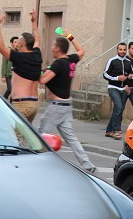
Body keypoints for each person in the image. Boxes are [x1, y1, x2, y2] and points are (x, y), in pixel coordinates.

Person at [37, 33, 96, 173]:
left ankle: (40, 164)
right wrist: (70, 36)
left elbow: (42, 80)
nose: (51, 48)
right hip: (67, 106)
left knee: (41, 135)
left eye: (53, 46)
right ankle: (87, 165)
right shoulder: (71, 60)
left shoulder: (57, 64)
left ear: (57, 49)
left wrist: (38, 69)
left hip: (56, 107)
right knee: (71, 138)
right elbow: (81, 51)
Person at [0, 10, 43, 124]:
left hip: (22, 105)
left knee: (15, 139)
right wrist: (34, 22)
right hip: (34, 104)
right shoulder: (37, 54)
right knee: (25, 139)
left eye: (18, 42)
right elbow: (37, 39)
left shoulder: (19, 57)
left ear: (20, 44)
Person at [103, 43, 133, 138]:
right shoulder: (112, 61)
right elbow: (105, 74)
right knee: (119, 107)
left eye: (124, 50)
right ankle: (116, 130)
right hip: (113, 88)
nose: (122, 51)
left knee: (118, 109)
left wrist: (130, 77)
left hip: (123, 89)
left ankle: (109, 130)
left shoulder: (128, 62)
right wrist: (117, 78)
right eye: (120, 49)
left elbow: (132, 74)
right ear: (117, 50)